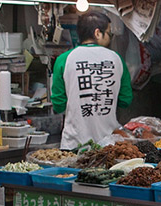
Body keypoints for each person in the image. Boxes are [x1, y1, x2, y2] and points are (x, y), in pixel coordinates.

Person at [52, 10, 132, 150]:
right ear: (97, 33)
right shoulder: (116, 59)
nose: (110, 38)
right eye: (109, 33)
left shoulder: (64, 60)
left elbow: (58, 104)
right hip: (108, 146)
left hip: (73, 145)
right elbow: (125, 100)